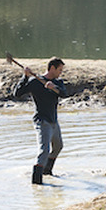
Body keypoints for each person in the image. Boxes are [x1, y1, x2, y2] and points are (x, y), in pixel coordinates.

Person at [12, 57, 67, 185]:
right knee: (44, 151)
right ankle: (37, 183)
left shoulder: (58, 82)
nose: (61, 72)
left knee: (58, 146)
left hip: (54, 121)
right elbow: (17, 94)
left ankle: (47, 171)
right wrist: (24, 77)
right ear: (52, 68)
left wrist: (53, 87)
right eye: (59, 69)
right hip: (42, 121)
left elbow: (63, 94)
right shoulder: (35, 82)